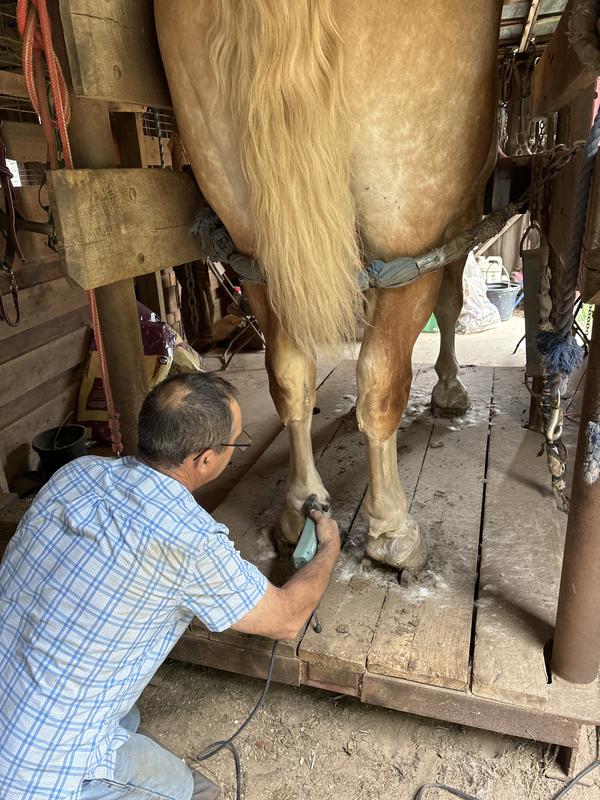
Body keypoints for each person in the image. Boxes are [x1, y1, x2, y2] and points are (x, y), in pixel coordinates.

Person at [0, 372, 340, 800]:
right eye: (235, 444)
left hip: (10, 701)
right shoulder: (190, 541)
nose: (233, 452)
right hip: (41, 771)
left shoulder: (76, 473)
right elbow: (287, 618)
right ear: (204, 460)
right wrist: (328, 547)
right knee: (197, 791)